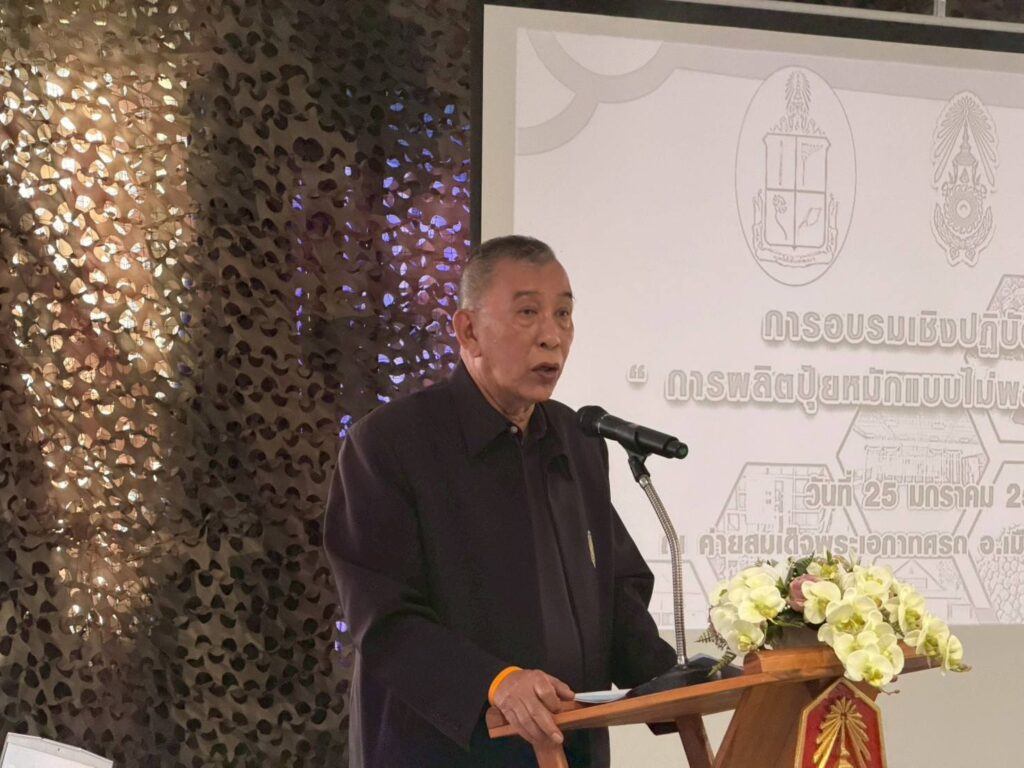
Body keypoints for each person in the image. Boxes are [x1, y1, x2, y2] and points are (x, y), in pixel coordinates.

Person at [324, 235, 676, 767]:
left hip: (566, 747)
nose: (552, 337)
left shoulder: (576, 438)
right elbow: (385, 618)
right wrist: (497, 681)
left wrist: (668, 678)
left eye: (564, 314)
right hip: (440, 751)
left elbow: (613, 591)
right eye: (528, 313)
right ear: (468, 330)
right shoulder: (391, 443)